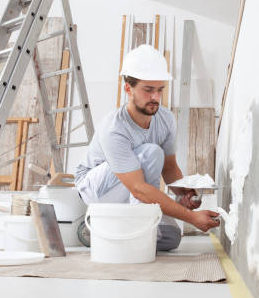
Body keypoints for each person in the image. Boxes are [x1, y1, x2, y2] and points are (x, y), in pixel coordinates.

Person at [75, 44, 220, 250]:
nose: (155, 97)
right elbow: (139, 189)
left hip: (134, 188)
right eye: (148, 90)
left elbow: (169, 167)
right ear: (128, 88)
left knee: (171, 238)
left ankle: (114, 229)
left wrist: (183, 194)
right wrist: (191, 217)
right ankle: (112, 225)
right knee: (151, 152)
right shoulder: (114, 128)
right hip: (95, 189)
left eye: (160, 90)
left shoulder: (166, 119)